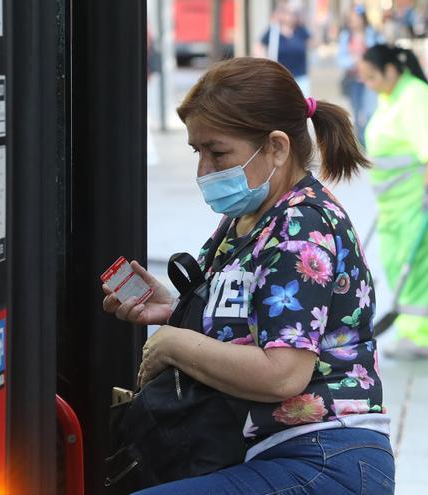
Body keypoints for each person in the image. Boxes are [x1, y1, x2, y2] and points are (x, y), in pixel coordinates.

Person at [102, 57, 394, 493]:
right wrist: (175, 311)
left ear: (277, 147)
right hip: (272, 451)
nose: (204, 170)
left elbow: (283, 374)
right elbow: (253, 317)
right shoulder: (249, 217)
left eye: (217, 152)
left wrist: (175, 344)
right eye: (197, 152)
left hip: (324, 456)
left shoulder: (302, 228)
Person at [358, 44, 428, 360]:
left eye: (372, 77)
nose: (369, 84)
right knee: (398, 264)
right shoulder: (391, 98)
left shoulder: (415, 96)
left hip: (421, 200)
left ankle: (421, 338)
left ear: (391, 70)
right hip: (395, 204)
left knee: (419, 267)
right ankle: (409, 331)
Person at [337, 4, 383, 143]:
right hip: (354, 80)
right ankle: (362, 141)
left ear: (363, 19)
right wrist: (354, 61)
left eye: (356, 18)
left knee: (371, 111)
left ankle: (370, 140)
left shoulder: (372, 34)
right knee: (357, 113)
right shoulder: (346, 36)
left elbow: (380, 52)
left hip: (370, 79)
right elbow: (341, 59)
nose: (354, 22)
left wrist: (365, 59)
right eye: (352, 19)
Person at [254, 2, 312, 95]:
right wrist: (264, 60)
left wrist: (305, 19)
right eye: (288, 13)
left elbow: (312, 42)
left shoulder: (300, 29)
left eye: (294, 14)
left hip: (301, 75)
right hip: (281, 76)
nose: (291, 16)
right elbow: (259, 45)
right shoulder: (274, 31)